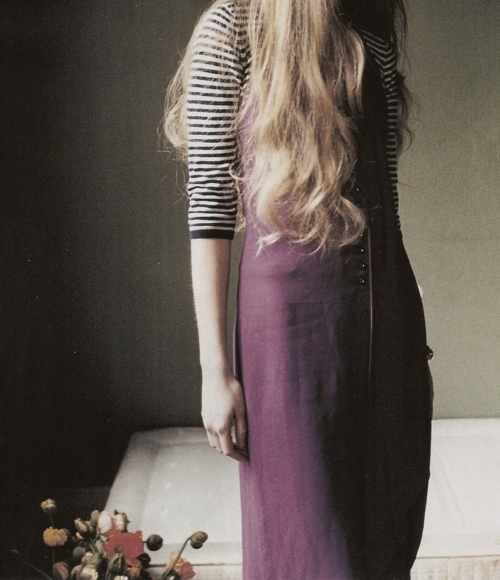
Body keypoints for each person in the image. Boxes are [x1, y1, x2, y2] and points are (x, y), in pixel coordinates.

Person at [164, 1, 433, 578]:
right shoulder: (233, 29)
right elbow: (209, 209)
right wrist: (215, 371)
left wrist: (408, 330)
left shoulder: (370, 28)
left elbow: (387, 203)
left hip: (388, 330)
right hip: (289, 341)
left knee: (386, 546)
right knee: (310, 552)